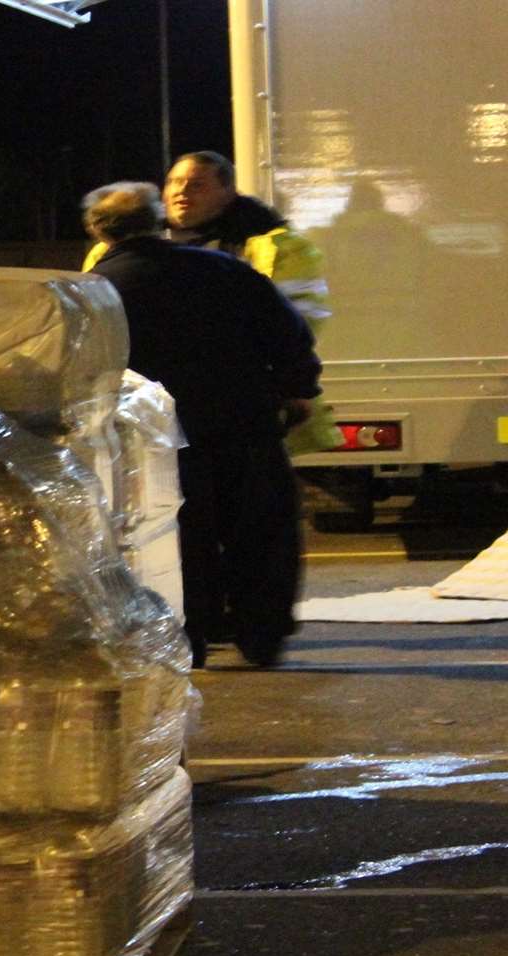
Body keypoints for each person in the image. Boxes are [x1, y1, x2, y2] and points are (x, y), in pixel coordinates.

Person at [81, 182, 322, 669]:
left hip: (153, 439)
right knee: (259, 526)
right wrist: (299, 389)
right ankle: (262, 634)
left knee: (173, 536)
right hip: (243, 419)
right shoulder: (225, 270)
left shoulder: (95, 292)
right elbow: (288, 332)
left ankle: (190, 637)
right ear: (161, 221)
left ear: (97, 231)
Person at [84, 151, 330, 336]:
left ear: (228, 192)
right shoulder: (112, 249)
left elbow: (300, 322)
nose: (181, 191)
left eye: (197, 185)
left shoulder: (279, 247)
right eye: (173, 182)